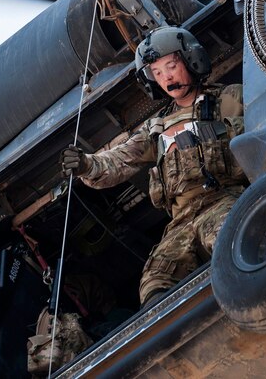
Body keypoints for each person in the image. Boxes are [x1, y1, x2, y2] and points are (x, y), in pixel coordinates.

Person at [60, 26, 247, 307]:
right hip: (181, 220)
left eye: (171, 66)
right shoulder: (155, 128)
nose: (166, 77)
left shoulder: (230, 98)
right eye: (157, 73)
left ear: (190, 59)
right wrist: (86, 164)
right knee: (155, 281)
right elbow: (118, 160)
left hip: (225, 200)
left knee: (234, 242)